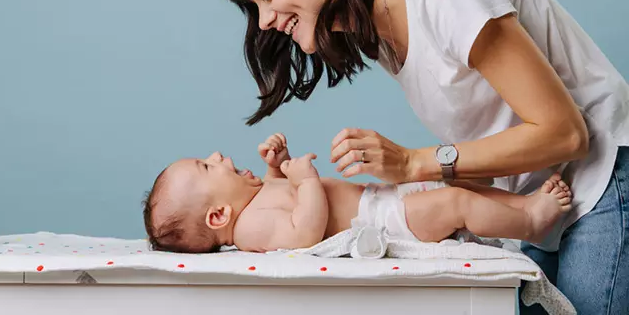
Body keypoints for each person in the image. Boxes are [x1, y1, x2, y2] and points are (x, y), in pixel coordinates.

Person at [210, 0, 629, 314]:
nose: (264, 20)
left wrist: (414, 164)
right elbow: (493, 133)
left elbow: (565, 133)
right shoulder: (385, 40)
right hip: (548, 204)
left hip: (602, 181)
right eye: (253, 6)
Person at [143, 133, 572, 254]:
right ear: (218, 216)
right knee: (455, 204)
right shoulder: (250, 228)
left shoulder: (254, 201)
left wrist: (278, 163)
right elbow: (302, 233)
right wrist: (306, 180)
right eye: (206, 165)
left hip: (382, 200)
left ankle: (523, 207)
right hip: (383, 225)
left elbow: (279, 192)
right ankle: (531, 223)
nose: (217, 154)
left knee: (456, 185)